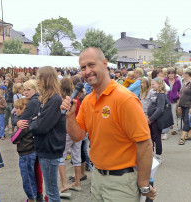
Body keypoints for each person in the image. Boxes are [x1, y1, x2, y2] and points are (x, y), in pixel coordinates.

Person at [60, 47, 156, 201]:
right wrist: (70, 116)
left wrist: (143, 183)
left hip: (121, 182)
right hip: (97, 177)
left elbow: (144, 143)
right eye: (83, 67)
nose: (87, 71)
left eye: (91, 65)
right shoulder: (88, 101)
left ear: (104, 64)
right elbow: (77, 136)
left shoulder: (125, 99)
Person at [29, 67, 66, 202]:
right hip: (45, 148)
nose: (37, 81)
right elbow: (32, 120)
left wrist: (34, 123)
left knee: (51, 192)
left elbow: (40, 127)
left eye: (39, 78)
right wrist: (35, 122)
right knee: (50, 190)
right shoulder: (44, 98)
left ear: (47, 79)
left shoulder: (54, 99)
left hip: (50, 149)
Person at [12, 79, 44, 202]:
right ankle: (37, 196)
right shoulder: (37, 100)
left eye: (28, 89)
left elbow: (23, 121)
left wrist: (15, 120)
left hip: (28, 147)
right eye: (24, 89)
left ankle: (32, 198)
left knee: (29, 175)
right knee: (36, 172)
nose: (25, 92)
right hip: (36, 143)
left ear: (35, 89)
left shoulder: (33, 102)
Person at [59, 78, 82, 194]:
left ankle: (64, 184)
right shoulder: (76, 99)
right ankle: (77, 182)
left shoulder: (64, 101)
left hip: (66, 131)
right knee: (77, 157)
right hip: (77, 130)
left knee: (61, 157)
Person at [14, 98, 38, 202]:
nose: (15, 110)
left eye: (17, 108)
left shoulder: (25, 123)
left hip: (26, 152)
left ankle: (32, 199)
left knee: (27, 178)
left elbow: (14, 138)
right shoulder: (31, 119)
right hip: (30, 151)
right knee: (31, 176)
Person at [147, 77, 166, 163]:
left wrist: (151, 119)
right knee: (151, 137)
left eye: (153, 84)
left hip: (156, 120)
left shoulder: (161, 95)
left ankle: (158, 155)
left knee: (157, 138)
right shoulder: (155, 94)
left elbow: (160, 109)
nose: (152, 85)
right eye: (151, 84)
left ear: (159, 84)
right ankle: (151, 154)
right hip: (151, 119)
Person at [177, 68, 191, 145]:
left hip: (189, 105)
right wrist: (179, 105)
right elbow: (181, 95)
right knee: (188, 120)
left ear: (187, 74)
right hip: (183, 105)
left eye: (183, 73)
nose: (182, 74)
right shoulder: (185, 82)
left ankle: (182, 138)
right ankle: (189, 135)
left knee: (186, 121)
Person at [164, 67, 181, 136]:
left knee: (174, 114)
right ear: (167, 74)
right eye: (169, 74)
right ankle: (165, 129)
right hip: (166, 99)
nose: (171, 75)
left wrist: (177, 96)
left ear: (174, 74)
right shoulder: (164, 80)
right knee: (166, 114)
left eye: (172, 74)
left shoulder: (177, 81)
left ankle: (175, 129)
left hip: (174, 100)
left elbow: (180, 90)